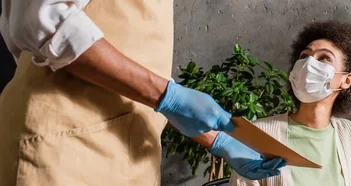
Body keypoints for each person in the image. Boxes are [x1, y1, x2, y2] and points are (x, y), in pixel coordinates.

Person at [0, 1, 284, 185]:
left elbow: (132, 56)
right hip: (63, 150)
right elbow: (39, 21)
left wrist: (217, 141)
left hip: (129, 156)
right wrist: (168, 96)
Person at [227, 20, 351, 186]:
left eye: (324, 58)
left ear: (346, 80)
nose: (309, 64)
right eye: (304, 56)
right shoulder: (260, 134)